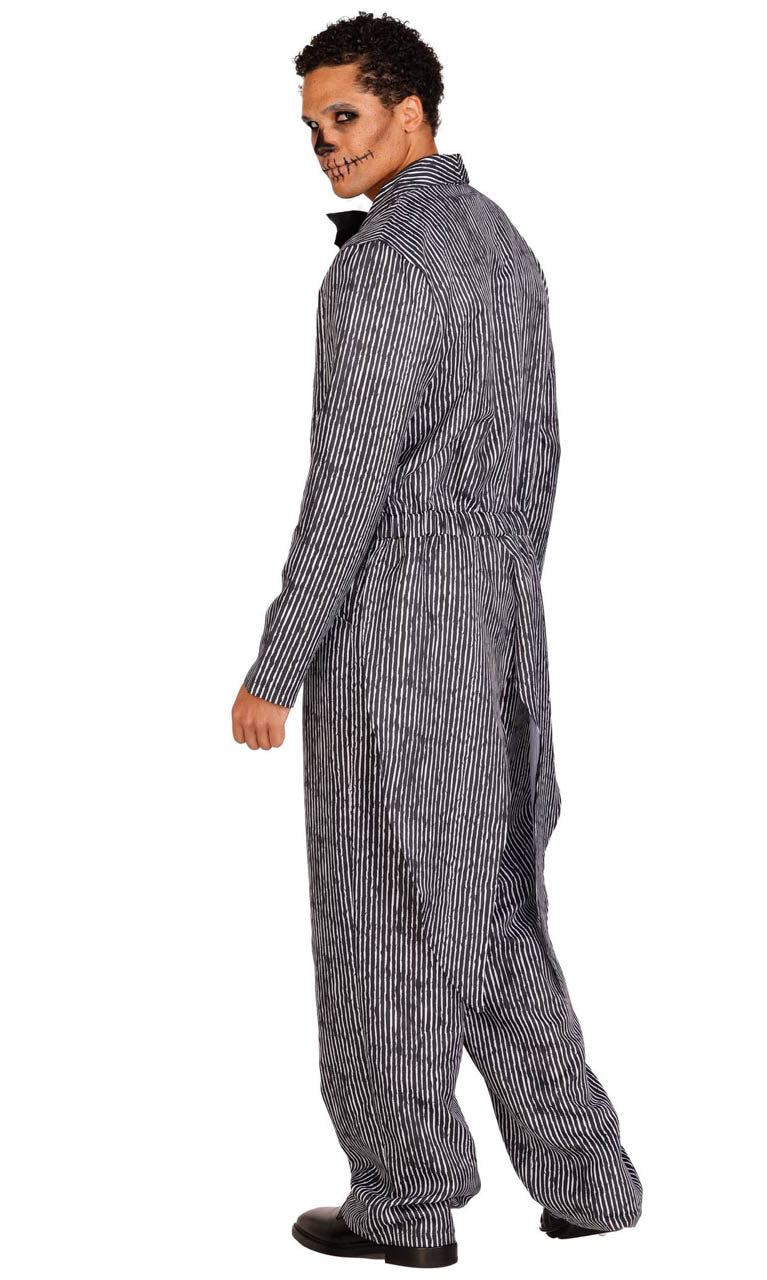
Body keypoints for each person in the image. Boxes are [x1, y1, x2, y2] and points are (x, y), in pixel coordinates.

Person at [231, 12, 642, 1269]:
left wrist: (276, 664)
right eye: (312, 127)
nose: (324, 145)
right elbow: (541, 452)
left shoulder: (384, 270)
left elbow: (345, 487)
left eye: (344, 117)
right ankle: (587, 1178)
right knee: (493, 909)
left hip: (394, 641)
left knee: (379, 918)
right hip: (504, 631)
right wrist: (500, 591)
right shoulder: (500, 241)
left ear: (410, 112)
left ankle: (403, 1202)